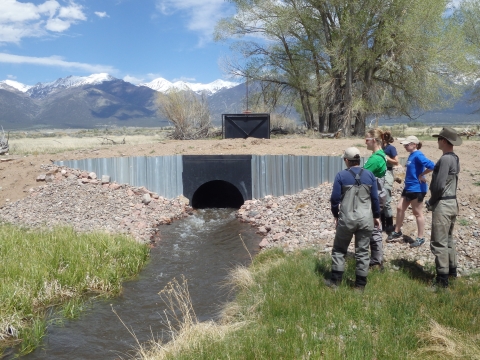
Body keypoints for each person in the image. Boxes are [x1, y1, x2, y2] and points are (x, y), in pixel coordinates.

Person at [327, 147, 381, 290]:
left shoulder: (341, 176)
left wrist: (335, 215)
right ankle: (360, 286)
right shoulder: (370, 175)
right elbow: (375, 198)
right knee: (362, 252)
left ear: (346, 160)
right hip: (366, 219)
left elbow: (334, 199)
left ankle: (335, 283)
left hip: (347, 219)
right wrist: (376, 216)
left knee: (339, 249)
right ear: (358, 160)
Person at [426, 127, 461, 288]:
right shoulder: (454, 158)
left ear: (444, 141)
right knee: (448, 240)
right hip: (452, 203)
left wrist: (431, 201)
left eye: (439, 138)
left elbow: (439, 185)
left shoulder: (446, 159)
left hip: (443, 204)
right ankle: (452, 272)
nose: (437, 141)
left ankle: (442, 281)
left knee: (439, 243)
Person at [387, 135, 434, 247]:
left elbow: (432, 165)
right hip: (408, 187)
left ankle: (420, 237)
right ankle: (397, 231)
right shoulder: (412, 155)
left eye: (407, 144)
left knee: (417, 213)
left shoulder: (418, 155)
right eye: (405, 144)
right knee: (399, 208)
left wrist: (422, 174)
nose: (405, 146)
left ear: (414, 144)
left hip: (417, 189)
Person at [363, 128, 387, 269]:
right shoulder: (381, 155)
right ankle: (376, 259)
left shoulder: (375, 158)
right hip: (379, 196)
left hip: (374, 198)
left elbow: (360, 177)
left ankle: (376, 261)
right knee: (374, 227)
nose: (365, 142)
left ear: (374, 141)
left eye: (367, 139)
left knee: (374, 228)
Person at [382, 131, 399, 233]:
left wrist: (387, 158)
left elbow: (396, 161)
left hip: (388, 172)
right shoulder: (380, 148)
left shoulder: (391, 148)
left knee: (386, 201)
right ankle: (382, 224)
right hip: (380, 173)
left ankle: (389, 225)